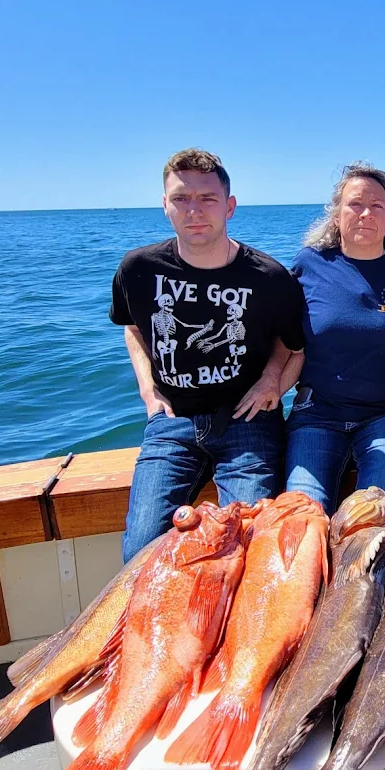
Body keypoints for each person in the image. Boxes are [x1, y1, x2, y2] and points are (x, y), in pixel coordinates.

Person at [110, 148, 305, 561]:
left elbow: (293, 346)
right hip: (171, 423)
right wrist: (148, 390)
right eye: (181, 198)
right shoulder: (138, 269)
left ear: (229, 206)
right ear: (165, 205)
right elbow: (132, 328)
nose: (194, 210)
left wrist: (273, 381)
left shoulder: (269, 277)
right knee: (140, 550)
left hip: (247, 424)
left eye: (208, 199)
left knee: (247, 547)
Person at [280, 163, 385, 513]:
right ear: (336, 214)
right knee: (302, 516)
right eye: (355, 204)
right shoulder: (307, 264)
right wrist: (269, 386)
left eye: (377, 206)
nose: (365, 214)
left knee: (373, 517)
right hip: (316, 414)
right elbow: (284, 341)